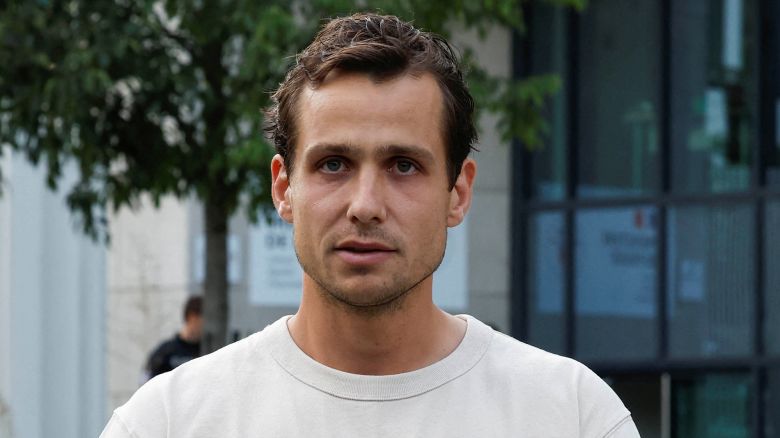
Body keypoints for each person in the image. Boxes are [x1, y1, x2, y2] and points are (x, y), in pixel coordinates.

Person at [101, 13, 640, 437]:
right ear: (284, 188)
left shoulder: (571, 415)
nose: (366, 204)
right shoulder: (167, 423)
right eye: (333, 163)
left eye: (404, 166)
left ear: (459, 192)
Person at [143, 296, 203, 381]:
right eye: (204, 320)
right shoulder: (165, 352)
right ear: (192, 317)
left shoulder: (207, 352)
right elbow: (147, 383)